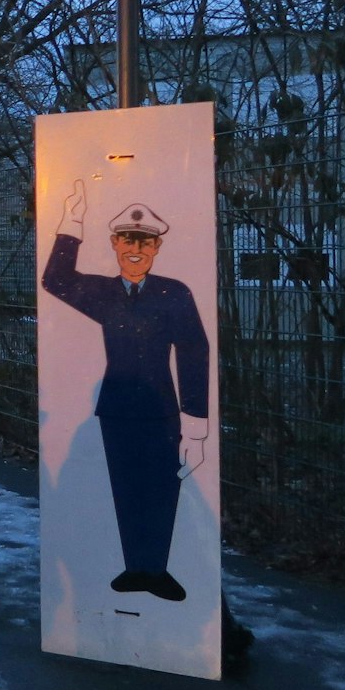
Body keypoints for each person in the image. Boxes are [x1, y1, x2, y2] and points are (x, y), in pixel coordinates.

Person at [40, 180, 209, 602]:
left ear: (157, 247)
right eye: (127, 240)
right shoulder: (103, 292)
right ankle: (136, 568)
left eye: (145, 242)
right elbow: (55, 279)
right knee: (125, 487)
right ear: (115, 244)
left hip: (161, 409)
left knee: (163, 489)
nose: (136, 250)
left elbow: (193, 350)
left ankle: (157, 570)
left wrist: (195, 425)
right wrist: (72, 222)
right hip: (116, 407)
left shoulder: (173, 293)